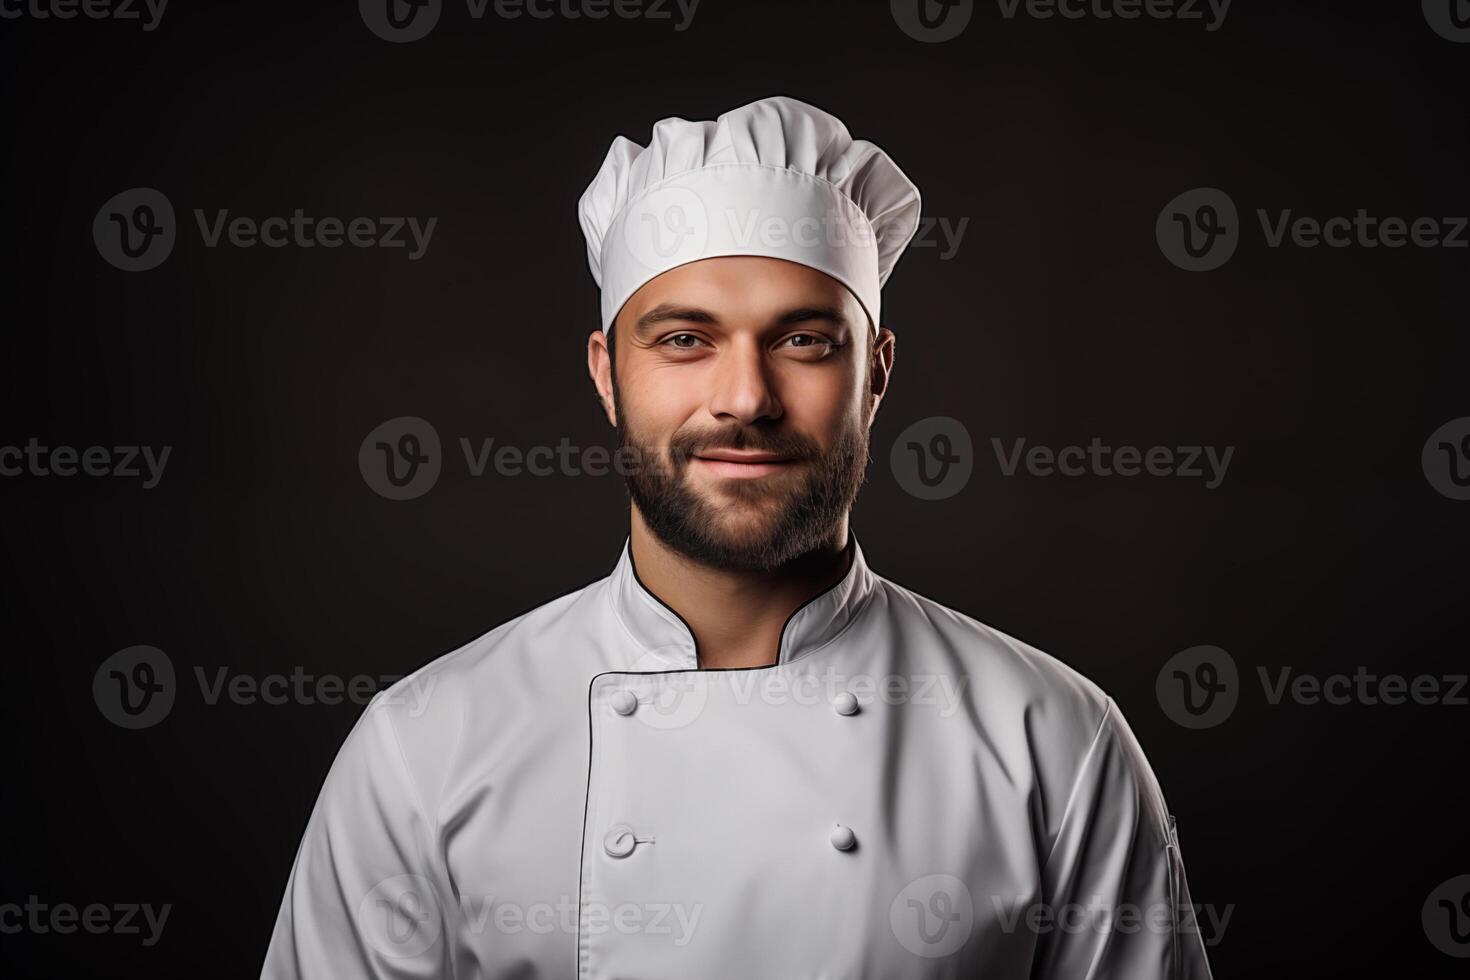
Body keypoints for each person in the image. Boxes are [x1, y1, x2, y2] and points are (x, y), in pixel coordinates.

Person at [261, 95, 1214, 979]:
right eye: (685, 339)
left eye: (804, 339)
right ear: (607, 372)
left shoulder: (1051, 740)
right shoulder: (424, 748)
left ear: (876, 372)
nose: (746, 398)